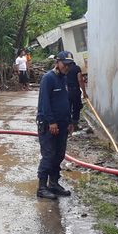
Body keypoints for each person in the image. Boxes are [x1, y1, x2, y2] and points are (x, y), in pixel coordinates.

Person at [36, 51, 75, 199]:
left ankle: (53, 183)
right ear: (57, 62)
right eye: (65, 64)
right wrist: (51, 121)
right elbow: (45, 103)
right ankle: (41, 188)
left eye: (69, 65)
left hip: (63, 123)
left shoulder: (63, 78)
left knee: (59, 154)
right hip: (48, 124)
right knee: (49, 155)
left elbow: (66, 102)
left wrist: (70, 121)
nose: (67, 67)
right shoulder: (48, 78)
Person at [65, 53, 87, 128]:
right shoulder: (77, 68)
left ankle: (67, 123)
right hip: (75, 91)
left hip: (66, 91)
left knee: (67, 107)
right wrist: (84, 92)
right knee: (76, 107)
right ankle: (75, 124)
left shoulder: (64, 68)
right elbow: (80, 80)